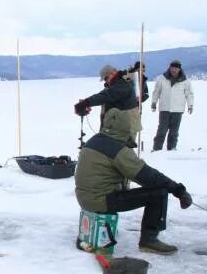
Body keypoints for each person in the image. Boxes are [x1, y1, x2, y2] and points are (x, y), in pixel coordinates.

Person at [75, 108, 193, 255]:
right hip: (102, 200)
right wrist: (178, 190)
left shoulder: (95, 140)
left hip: (85, 199)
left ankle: (96, 232)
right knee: (159, 192)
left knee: (150, 190)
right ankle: (149, 240)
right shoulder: (116, 149)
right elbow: (149, 177)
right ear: (126, 128)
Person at [74, 64, 140, 146]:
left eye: (106, 78)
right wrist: (86, 102)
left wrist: (86, 103)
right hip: (120, 124)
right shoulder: (116, 83)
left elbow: (107, 95)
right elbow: (104, 94)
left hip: (127, 125)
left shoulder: (123, 83)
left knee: (122, 151)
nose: (106, 81)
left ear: (112, 73)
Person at [150, 60, 194, 151]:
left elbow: (189, 94)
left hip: (178, 110)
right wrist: (154, 102)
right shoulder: (162, 78)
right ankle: (157, 149)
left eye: (175, 68)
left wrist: (190, 105)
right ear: (169, 68)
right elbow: (156, 91)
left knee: (174, 132)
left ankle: (172, 149)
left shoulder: (185, 81)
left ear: (179, 69)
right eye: (172, 68)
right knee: (161, 130)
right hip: (164, 109)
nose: (173, 70)